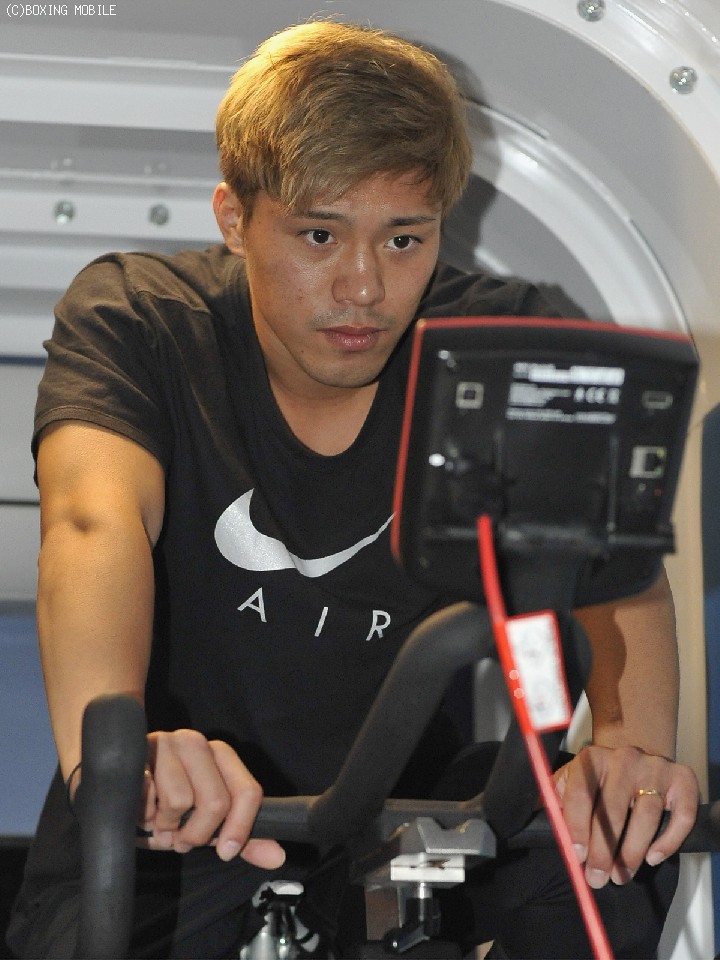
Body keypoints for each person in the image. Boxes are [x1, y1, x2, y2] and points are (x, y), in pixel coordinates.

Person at [7, 18, 699, 960]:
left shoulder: (499, 344)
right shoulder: (142, 320)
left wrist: (628, 755)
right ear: (234, 219)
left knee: (606, 849)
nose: (365, 286)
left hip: (411, 820)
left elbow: (613, 569)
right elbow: (93, 523)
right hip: (184, 809)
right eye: (320, 235)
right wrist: (115, 763)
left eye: (404, 239)